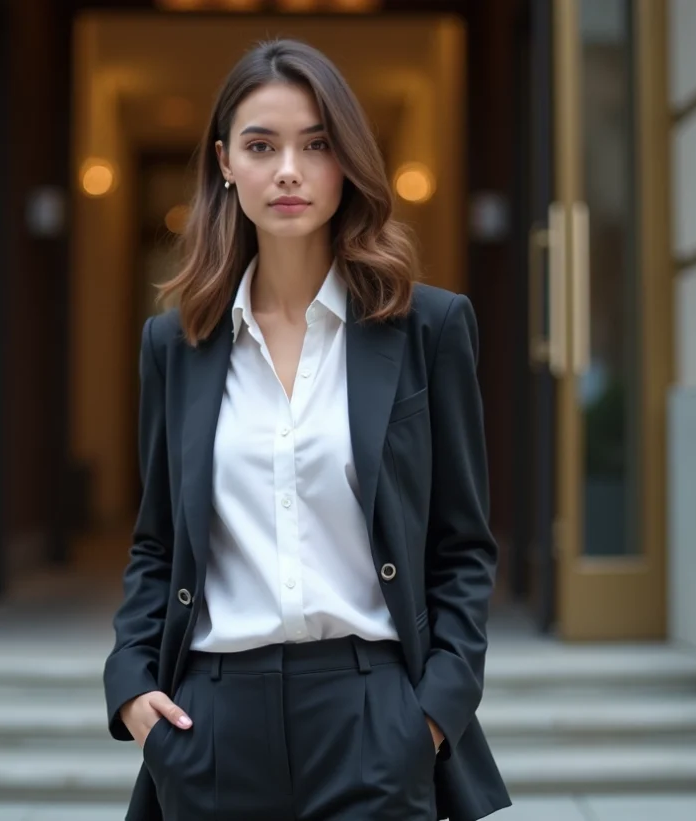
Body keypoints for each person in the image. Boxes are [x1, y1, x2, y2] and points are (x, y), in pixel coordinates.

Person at [103, 38, 511, 821]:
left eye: (317, 144)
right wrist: (131, 687)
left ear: (347, 162)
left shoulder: (428, 327)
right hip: (210, 726)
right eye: (262, 145)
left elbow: (461, 543)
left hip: (373, 718)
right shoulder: (176, 344)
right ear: (226, 162)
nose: (288, 169)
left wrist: (430, 713)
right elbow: (158, 540)